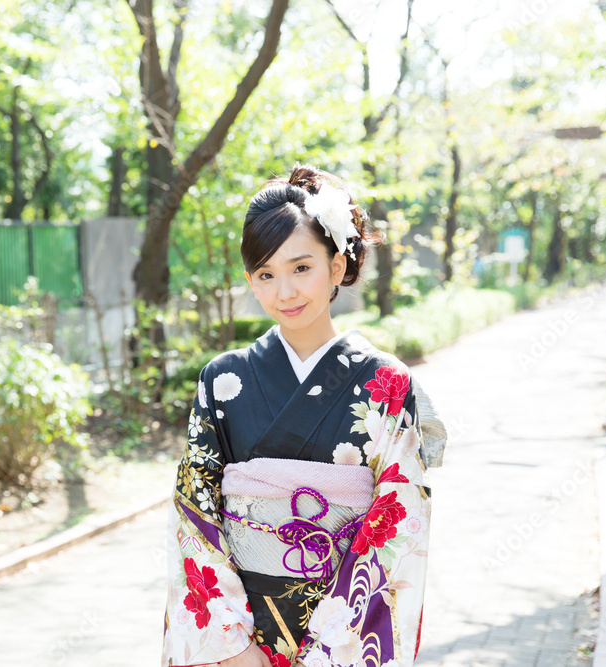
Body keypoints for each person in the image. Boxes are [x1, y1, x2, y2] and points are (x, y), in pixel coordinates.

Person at [160, 163, 446, 667]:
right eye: (266, 275)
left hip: (345, 635)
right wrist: (233, 645)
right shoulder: (222, 382)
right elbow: (195, 514)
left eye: (301, 268)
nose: (284, 292)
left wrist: (332, 649)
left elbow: (399, 516)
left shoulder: (385, 383)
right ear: (250, 281)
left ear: (336, 267)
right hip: (238, 638)